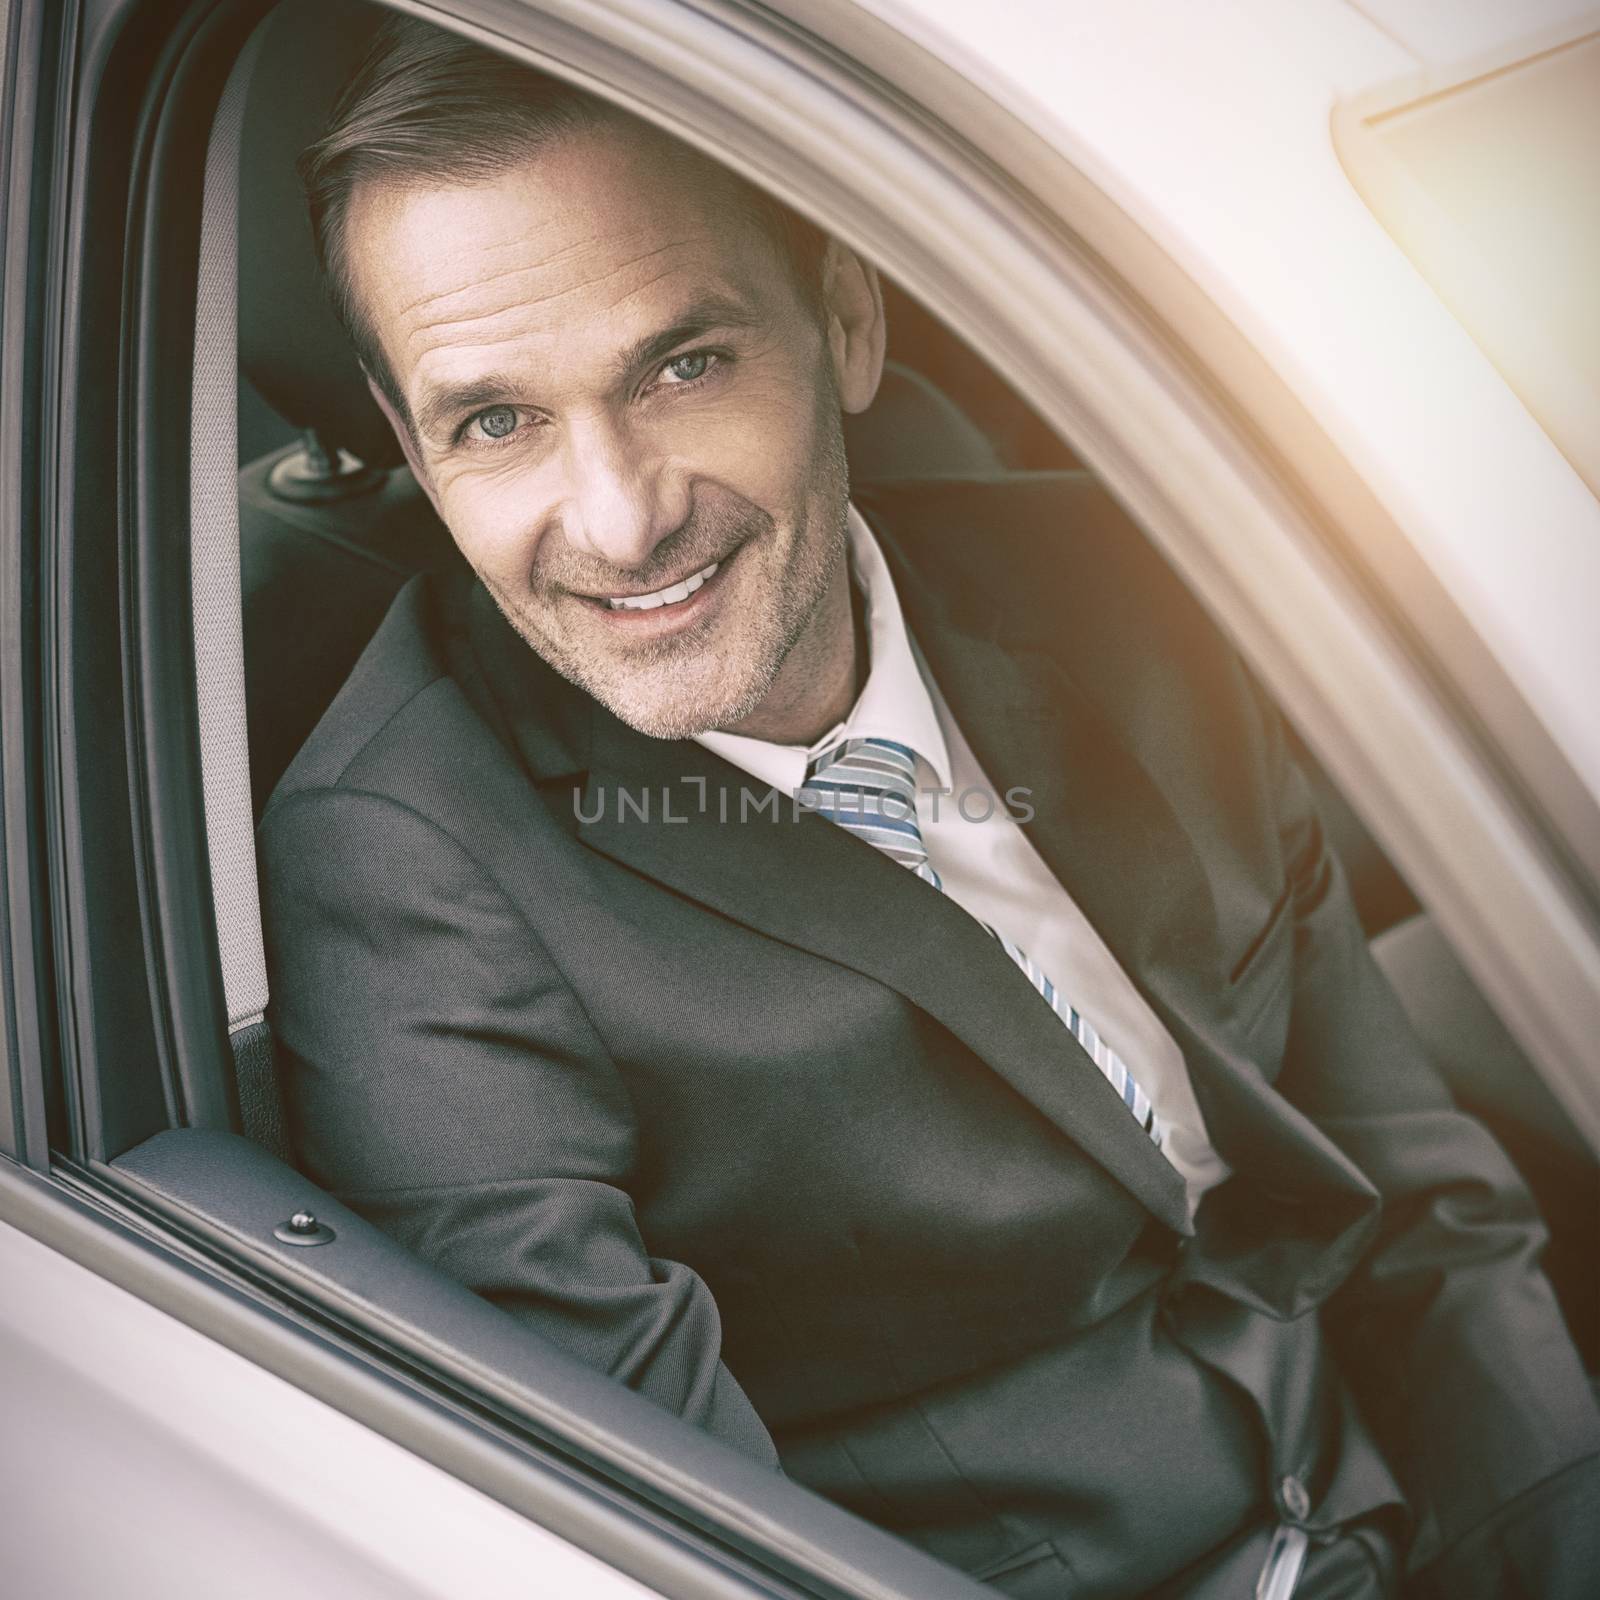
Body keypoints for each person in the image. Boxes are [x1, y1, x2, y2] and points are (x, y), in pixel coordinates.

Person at [260, 18, 1599, 1598]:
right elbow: (675, 1537)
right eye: (496, 422)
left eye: (685, 365)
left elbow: (1413, 1190)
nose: (619, 519)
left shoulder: (1130, 579)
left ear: (845, 322)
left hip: (1394, 1502)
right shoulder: (401, 866)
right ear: (409, 435)